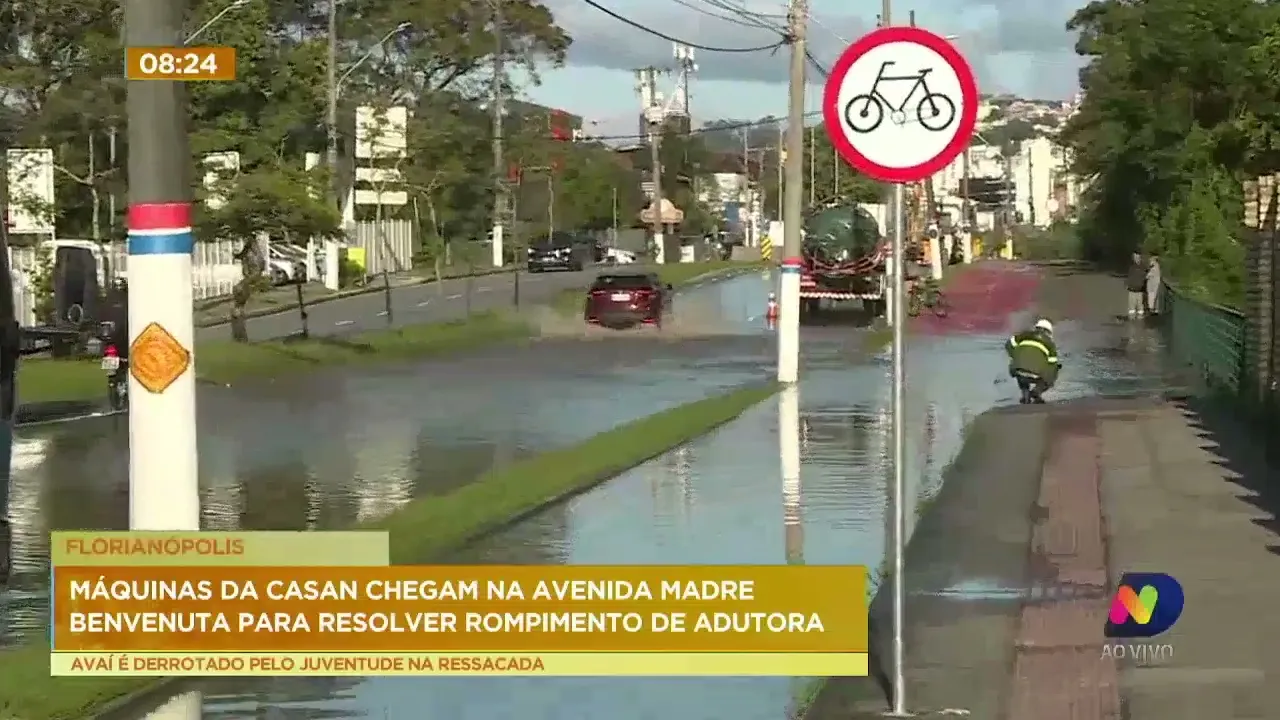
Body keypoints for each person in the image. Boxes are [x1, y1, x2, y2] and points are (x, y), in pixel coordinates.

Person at [1006, 318, 1061, 404]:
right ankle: (1036, 391)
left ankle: (1025, 394)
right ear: (1049, 332)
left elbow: (1009, 344)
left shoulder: (1024, 335)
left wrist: (1016, 356)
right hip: (1035, 374)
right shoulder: (1050, 344)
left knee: (1020, 371)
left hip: (1018, 371)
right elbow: (1052, 365)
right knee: (1054, 371)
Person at [1126, 252, 1147, 318]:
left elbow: (1145, 278)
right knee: (1131, 308)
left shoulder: (1143, 267)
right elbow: (1129, 277)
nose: (1137, 259)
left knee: (1140, 307)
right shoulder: (1131, 267)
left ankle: (1140, 321)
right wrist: (1127, 284)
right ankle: (1131, 320)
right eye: (1135, 257)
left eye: (1138, 257)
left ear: (1140, 258)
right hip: (1131, 290)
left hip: (1140, 290)